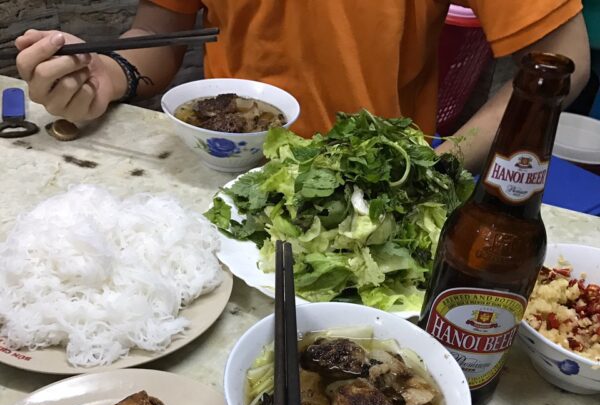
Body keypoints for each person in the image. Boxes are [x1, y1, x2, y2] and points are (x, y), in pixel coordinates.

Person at [14, 0, 590, 172]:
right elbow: (158, 33)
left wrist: (441, 168)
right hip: (219, 171)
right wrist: (107, 75)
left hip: (373, 183)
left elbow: (565, 57)